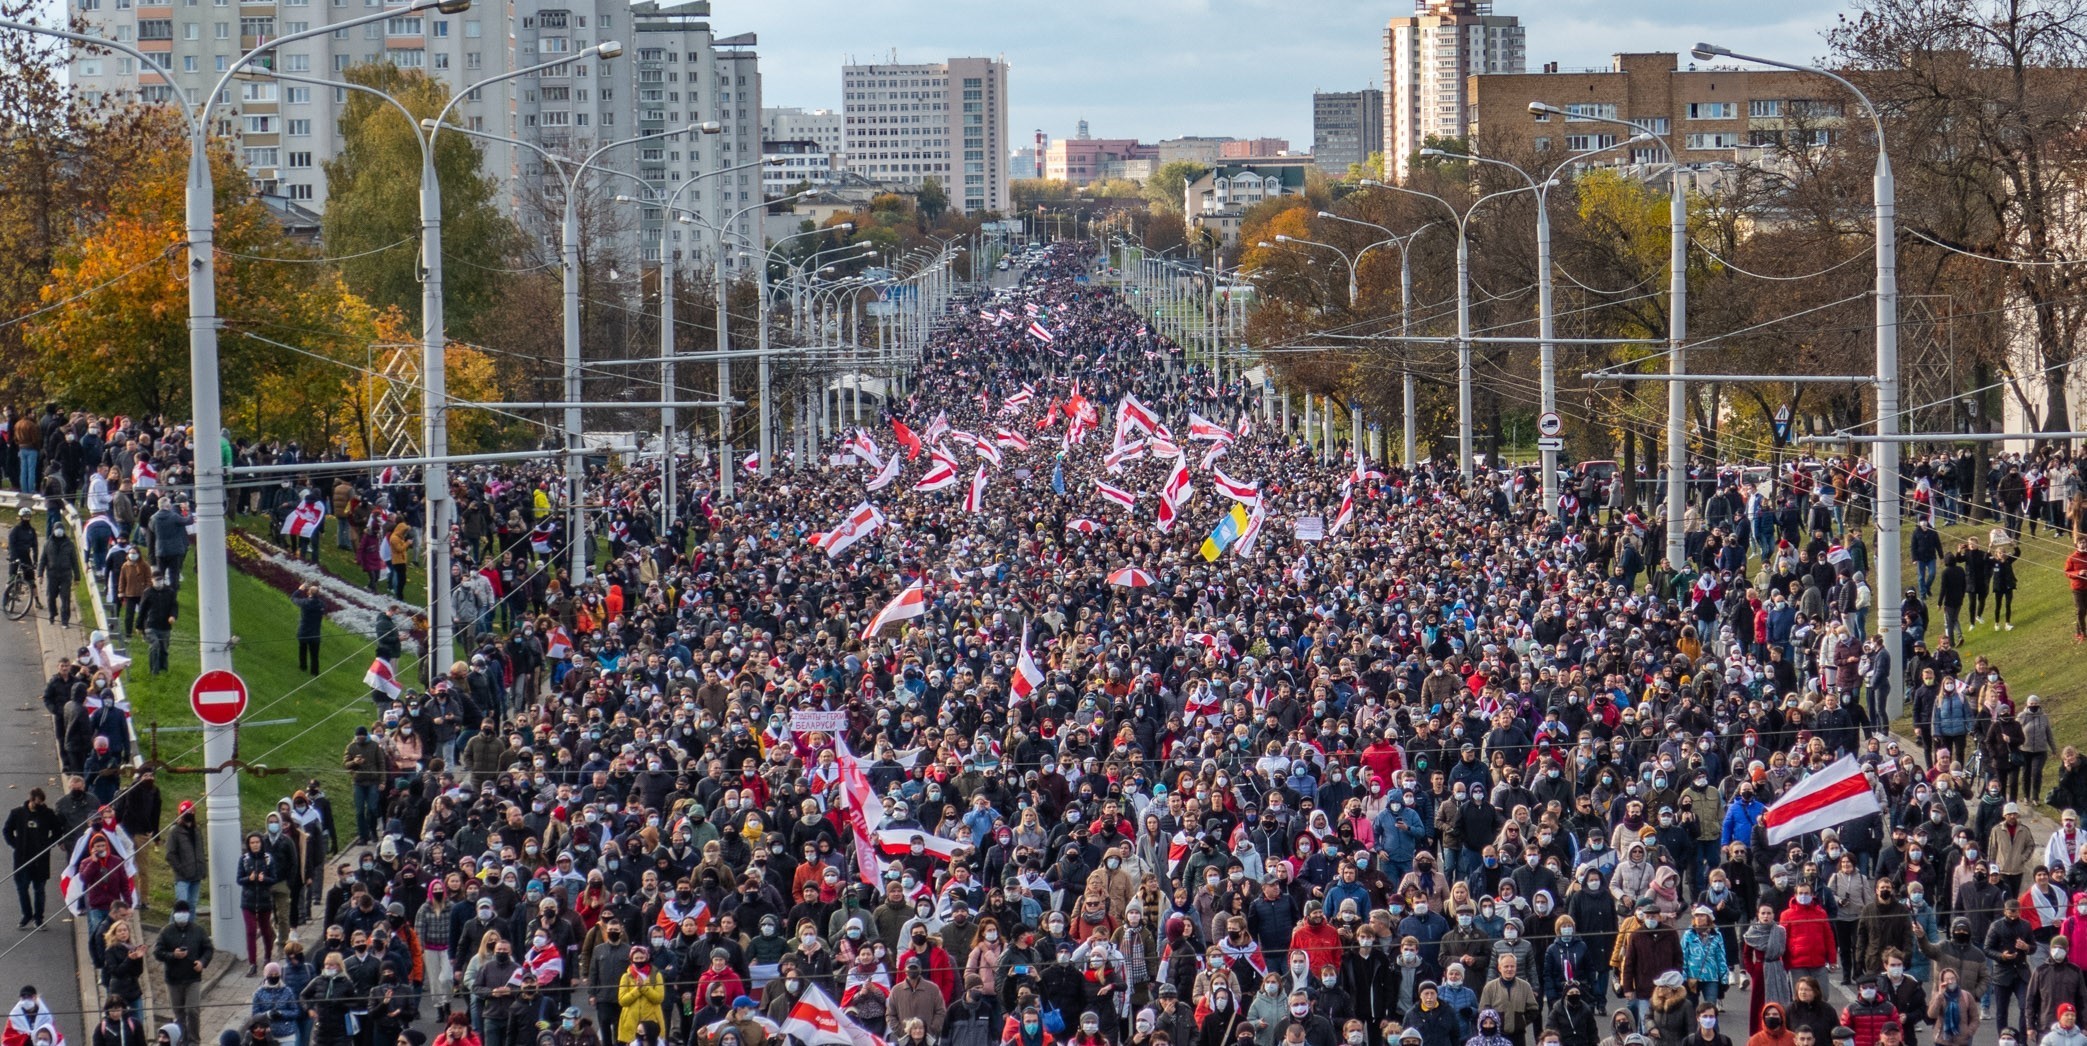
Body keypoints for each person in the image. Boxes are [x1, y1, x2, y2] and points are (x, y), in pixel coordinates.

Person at [155, 899, 214, 1041]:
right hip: (173, 980)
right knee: (179, 1013)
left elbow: (208, 949)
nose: (182, 915)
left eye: (185, 912)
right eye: (179, 912)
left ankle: (194, 1040)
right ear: (174, 914)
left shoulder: (198, 930)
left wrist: (202, 962)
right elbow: (158, 952)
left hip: (193, 978)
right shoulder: (166, 932)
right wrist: (172, 955)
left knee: (192, 1010)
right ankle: (181, 1039)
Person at [3, 789, 63, 928]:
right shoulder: (17, 813)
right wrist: (15, 844)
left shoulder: (48, 814)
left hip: (40, 860)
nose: (39, 805)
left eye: (41, 802)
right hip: (22, 858)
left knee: (39, 889)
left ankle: (39, 918)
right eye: (37, 802)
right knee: (22, 888)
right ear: (31, 800)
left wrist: (48, 844)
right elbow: (7, 830)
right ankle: (27, 915)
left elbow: (57, 831)